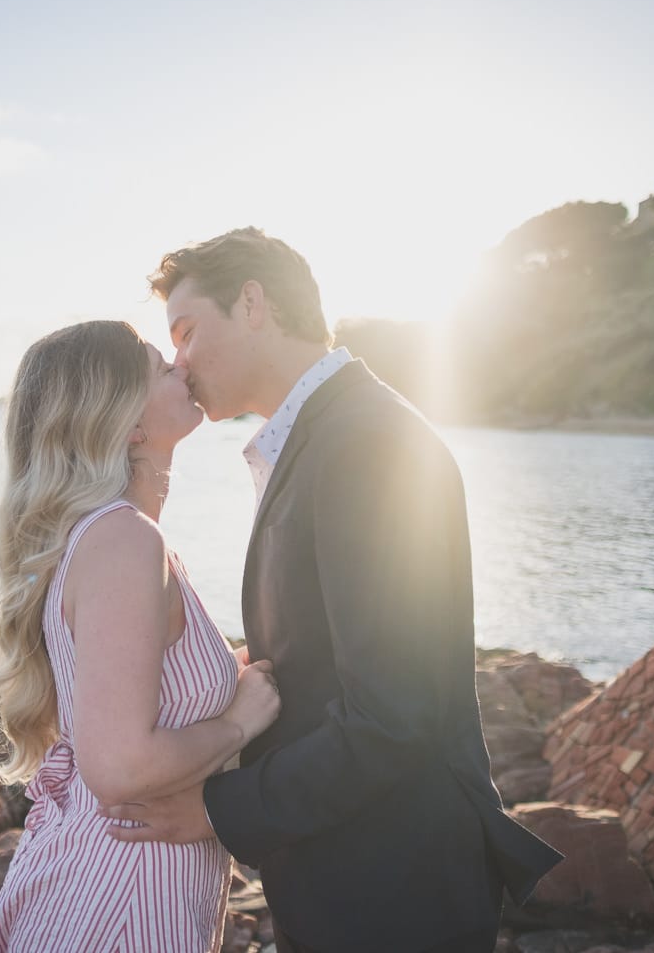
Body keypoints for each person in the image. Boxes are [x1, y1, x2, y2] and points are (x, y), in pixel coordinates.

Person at [104, 228, 563, 953]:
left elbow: (393, 712)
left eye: (186, 333)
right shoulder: (326, 434)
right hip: (350, 873)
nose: (179, 362)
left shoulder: (367, 442)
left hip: (395, 891)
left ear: (252, 304)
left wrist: (217, 810)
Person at [0, 320, 282, 952]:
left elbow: (141, 697)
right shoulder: (123, 539)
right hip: (120, 901)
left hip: (114, 882)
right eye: (161, 367)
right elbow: (120, 765)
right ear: (129, 423)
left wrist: (228, 673)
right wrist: (238, 724)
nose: (181, 365)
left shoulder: (108, 535)